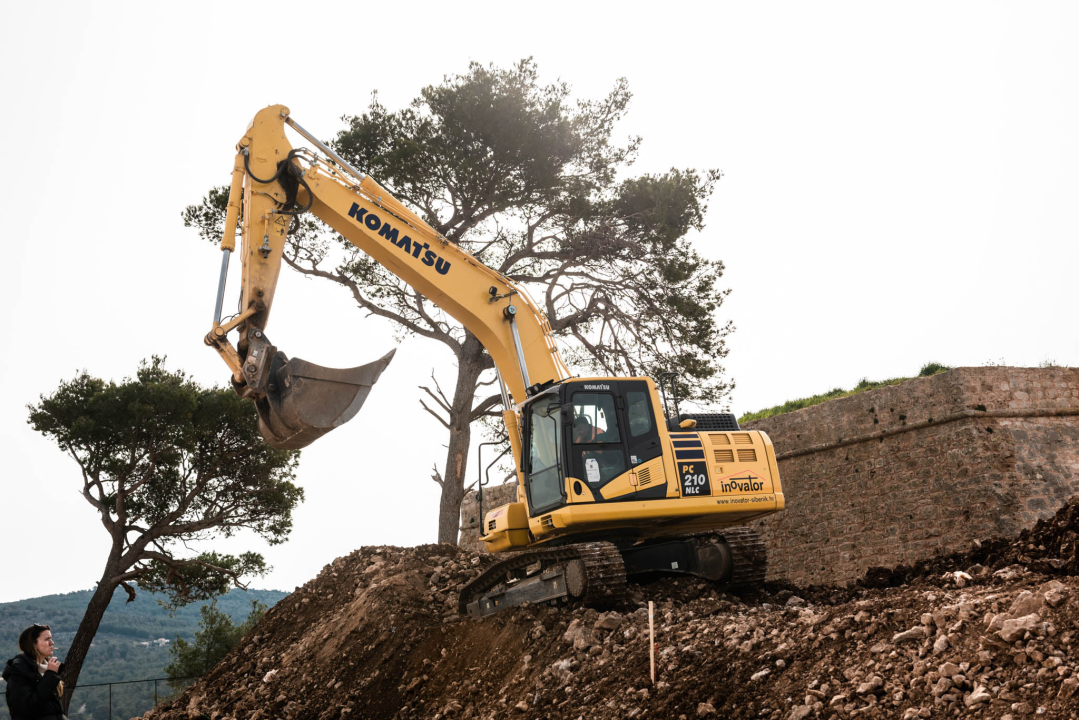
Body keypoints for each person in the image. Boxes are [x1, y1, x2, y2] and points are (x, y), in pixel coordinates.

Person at [3, 624, 65, 720]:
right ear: (33, 643)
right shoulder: (18, 672)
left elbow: (51, 711)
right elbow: (26, 709)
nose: (52, 643)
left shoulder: (46, 669)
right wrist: (51, 675)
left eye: (51, 639)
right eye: (47, 639)